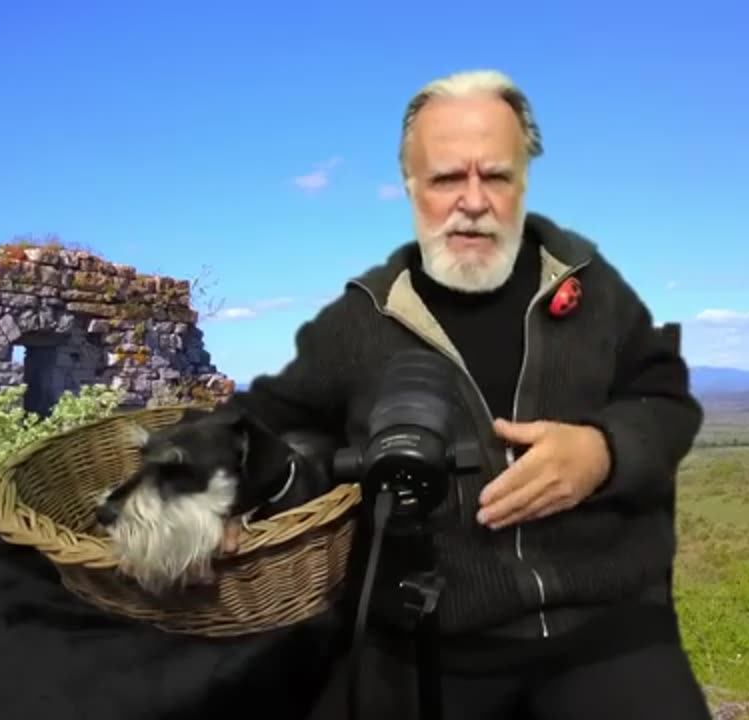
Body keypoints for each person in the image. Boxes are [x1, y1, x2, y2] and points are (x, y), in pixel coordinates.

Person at [217, 69, 711, 720]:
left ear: (522, 183)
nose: (472, 200)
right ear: (412, 187)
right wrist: (209, 491)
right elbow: (262, 421)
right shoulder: (360, 320)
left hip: (606, 629)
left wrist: (601, 452)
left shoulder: (593, 291)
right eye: (448, 177)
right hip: (424, 636)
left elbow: (667, 400)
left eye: (496, 176)